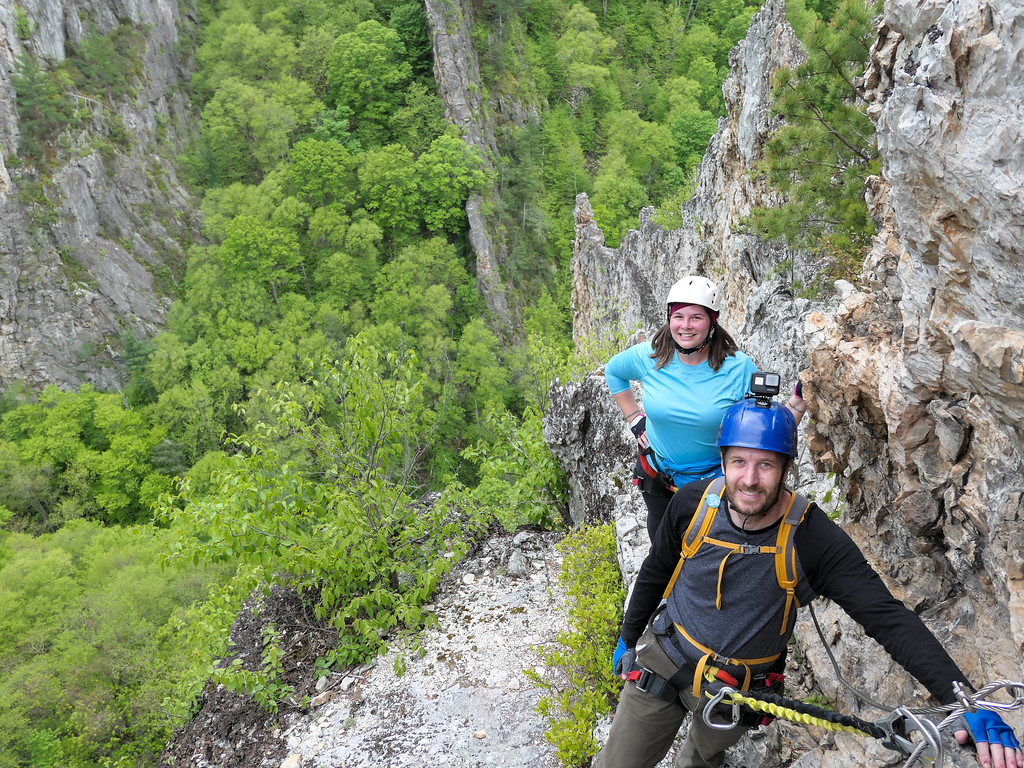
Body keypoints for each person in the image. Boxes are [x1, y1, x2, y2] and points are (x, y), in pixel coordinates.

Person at [599, 390, 1022, 768]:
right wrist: (628, 634)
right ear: (723, 461)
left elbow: (885, 617)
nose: (749, 479)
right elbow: (657, 569)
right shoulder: (694, 504)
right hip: (665, 657)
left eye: (765, 464)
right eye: (739, 462)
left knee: (700, 761)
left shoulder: (812, 538)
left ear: (785, 467)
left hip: (735, 689)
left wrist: (959, 697)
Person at [604, 275, 805, 540]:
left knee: (709, 555)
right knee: (664, 550)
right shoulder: (649, 356)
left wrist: (797, 403)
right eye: (678, 317)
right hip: (658, 476)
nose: (685, 326)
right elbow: (613, 371)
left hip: (713, 485)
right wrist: (633, 418)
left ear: (712, 321)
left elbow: (766, 429)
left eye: (696, 318)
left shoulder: (737, 367)